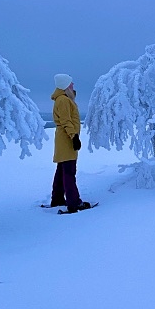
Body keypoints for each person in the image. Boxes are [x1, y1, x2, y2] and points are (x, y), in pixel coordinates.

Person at [50, 73, 90, 213]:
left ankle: (57, 199)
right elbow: (66, 121)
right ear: (65, 85)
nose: (73, 85)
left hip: (64, 139)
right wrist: (74, 137)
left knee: (62, 170)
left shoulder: (64, 99)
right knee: (69, 171)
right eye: (70, 83)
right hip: (66, 140)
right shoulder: (63, 100)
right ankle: (74, 202)